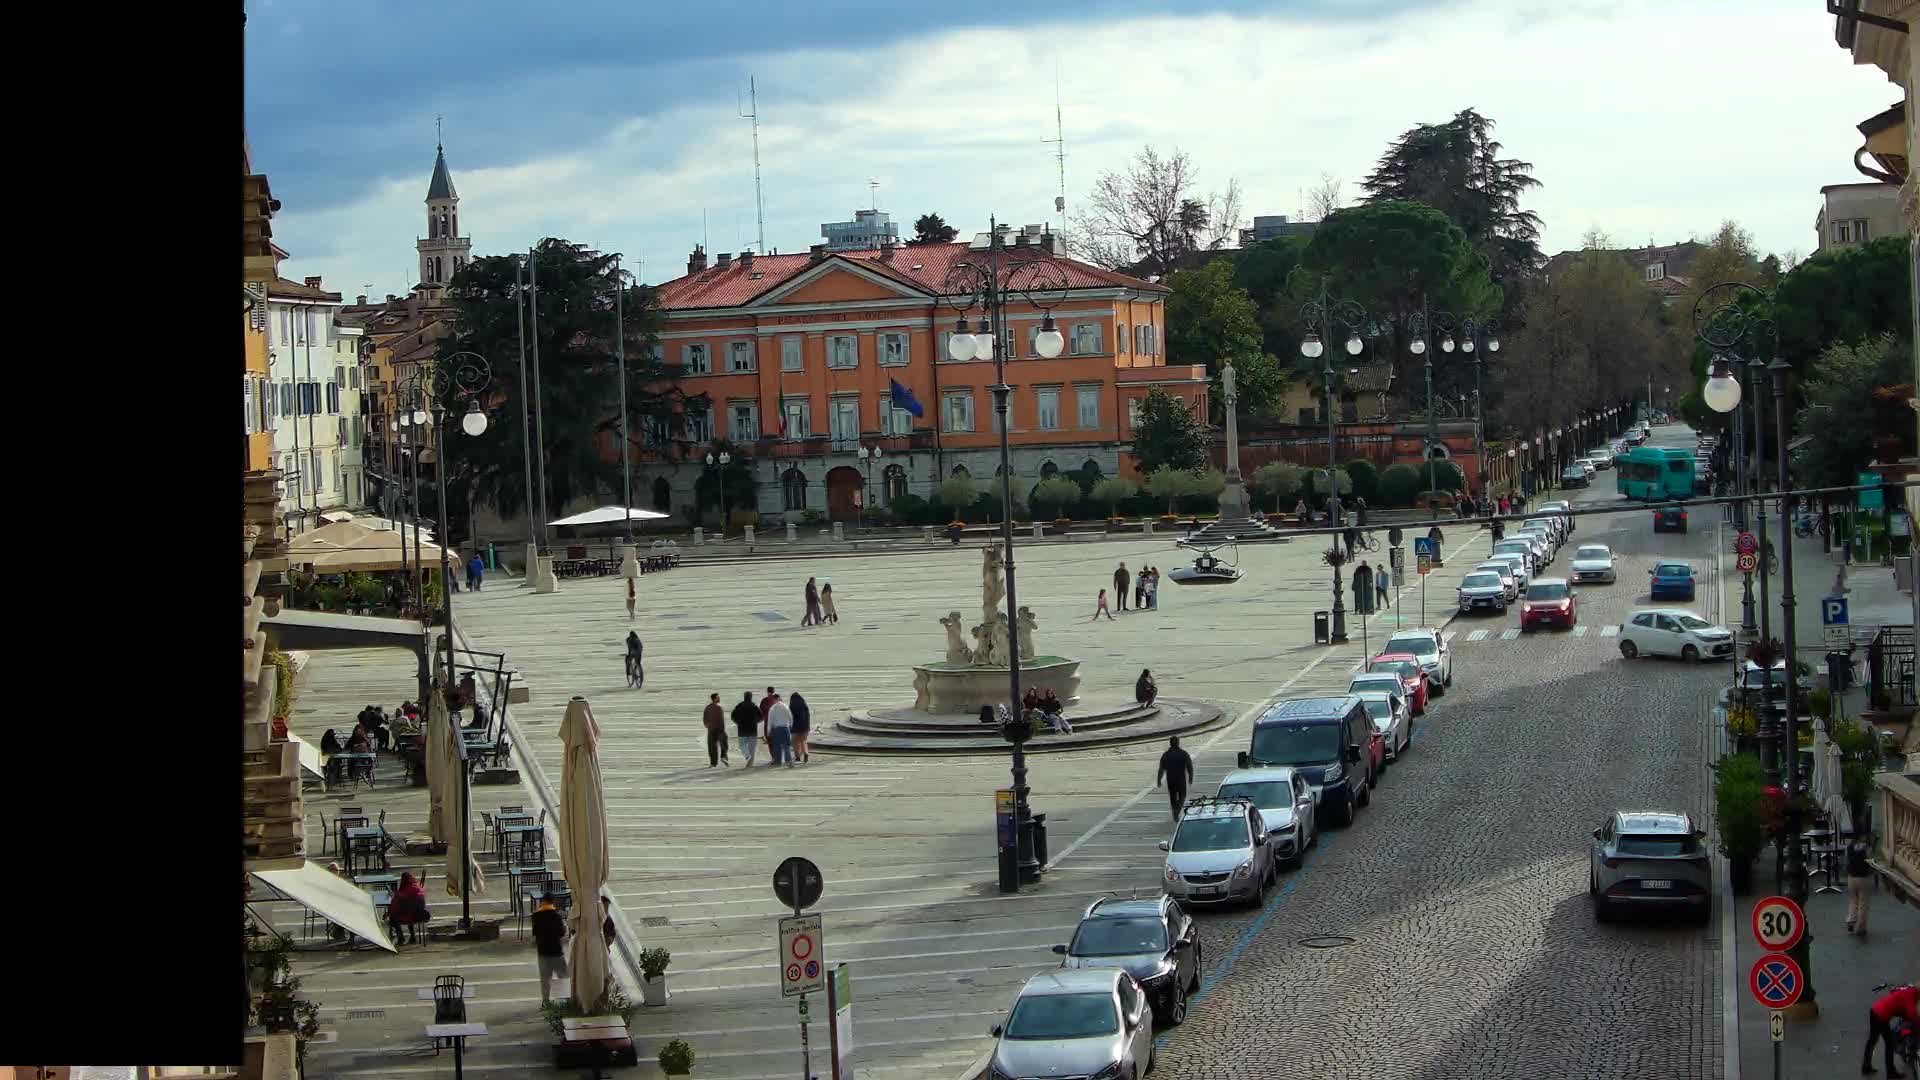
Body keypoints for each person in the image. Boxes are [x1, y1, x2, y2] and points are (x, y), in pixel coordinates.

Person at [1864, 982, 1919, 1076]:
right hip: (1880, 1016)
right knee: (1888, 1044)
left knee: (1872, 1040)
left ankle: (1866, 1067)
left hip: (1875, 1010)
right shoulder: (1911, 994)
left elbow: (1893, 992)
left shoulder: (1909, 990)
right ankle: (1891, 1072)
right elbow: (1911, 1013)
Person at [530, 892, 569, 1005]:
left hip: (542, 951)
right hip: (557, 952)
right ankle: (566, 1000)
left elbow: (535, 933)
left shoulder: (536, 916)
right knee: (563, 977)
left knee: (545, 979)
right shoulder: (557, 915)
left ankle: (545, 1002)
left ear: (543, 901)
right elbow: (562, 932)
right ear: (553, 902)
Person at [1156, 735, 1194, 819]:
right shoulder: (1183, 753)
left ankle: (1175, 811)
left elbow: (1161, 768)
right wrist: (1191, 777)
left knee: (1173, 797)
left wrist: (1159, 780)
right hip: (1181, 780)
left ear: (1170, 744)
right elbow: (1189, 766)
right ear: (1178, 743)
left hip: (1171, 780)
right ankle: (1177, 810)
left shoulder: (1166, 755)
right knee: (1182, 796)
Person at [388, 871, 429, 945]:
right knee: (410, 912)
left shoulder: (400, 894)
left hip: (407, 917)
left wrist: (389, 913)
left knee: (393, 918)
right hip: (419, 916)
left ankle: (401, 939)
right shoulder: (418, 889)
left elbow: (394, 907)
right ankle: (413, 937)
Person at [1846, 833, 1875, 937]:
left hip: (1851, 877)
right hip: (1864, 878)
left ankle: (1851, 921)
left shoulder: (1850, 847)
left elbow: (1848, 860)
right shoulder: (1867, 849)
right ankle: (1861, 928)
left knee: (1853, 901)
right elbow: (1872, 863)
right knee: (1863, 903)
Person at [731, 691, 761, 766]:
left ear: (744, 697)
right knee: (752, 748)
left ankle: (747, 757)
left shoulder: (739, 706)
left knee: (742, 746)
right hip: (752, 730)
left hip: (742, 730)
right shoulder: (754, 706)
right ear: (751, 697)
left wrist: (738, 722)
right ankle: (750, 763)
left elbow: (733, 716)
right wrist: (755, 722)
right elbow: (761, 716)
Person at [765, 692, 794, 767]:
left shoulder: (773, 708)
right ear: (780, 698)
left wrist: (768, 732)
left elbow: (770, 721)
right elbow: (790, 718)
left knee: (777, 746)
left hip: (777, 729)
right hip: (786, 728)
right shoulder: (786, 707)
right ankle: (789, 761)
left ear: (774, 699)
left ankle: (778, 761)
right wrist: (791, 727)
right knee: (786, 746)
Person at [702, 692, 729, 767]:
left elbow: (704, 719)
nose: (719, 698)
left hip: (711, 729)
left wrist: (707, 725)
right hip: (719, 729)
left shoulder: (707, 707)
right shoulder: (718, 708)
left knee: (712, 746)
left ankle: (713, 763)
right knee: (724, 743)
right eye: (718, 697)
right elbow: (721, 720)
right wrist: (722, 729)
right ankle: (723, 757)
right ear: (714, 699)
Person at [789, 691, 812, 763]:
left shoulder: (792, 705)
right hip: (805, 727)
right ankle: (806, 754)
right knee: (803, 741)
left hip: (796, 727)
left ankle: (797, 757)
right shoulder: (804, 705)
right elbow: (808, 716)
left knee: (795, 742)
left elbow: (791, 717)